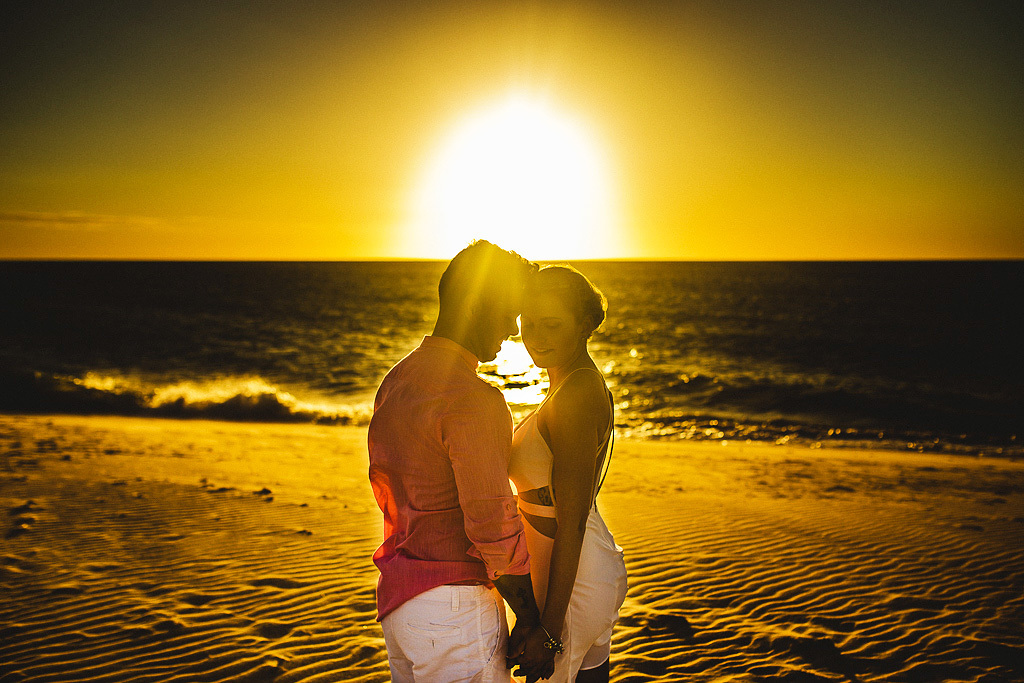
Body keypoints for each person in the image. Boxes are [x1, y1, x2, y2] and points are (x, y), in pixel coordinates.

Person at [367, 240, 557, 682]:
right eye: (511, 311)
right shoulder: (476, 401)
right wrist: (530, 619)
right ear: (479, 305)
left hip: (400, 604)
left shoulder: (396, 381)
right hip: (453, 610)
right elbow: (491, 526)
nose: (513, 329)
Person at [509, 265, 628, 682]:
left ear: (583, 326)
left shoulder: (575, 393)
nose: (537, 338)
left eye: (553, 325)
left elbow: (572, 521)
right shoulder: (567, 383)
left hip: (572, 581)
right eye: (529, 325)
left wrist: (549, 629)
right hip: (574, 571)